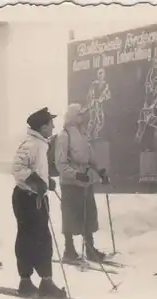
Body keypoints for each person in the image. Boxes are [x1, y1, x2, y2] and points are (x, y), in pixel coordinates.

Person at [11, 107, 66, 299]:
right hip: (28, 198)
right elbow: (17, 168)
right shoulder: (32, 144)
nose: (53, 126)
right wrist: (37, 182)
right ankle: (42, 282)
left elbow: (32, 167)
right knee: (37, 239)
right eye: (50, 124)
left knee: (34, 238)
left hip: (32, 196)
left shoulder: (39, 143)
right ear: (42, 127)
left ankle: (31, 281)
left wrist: (45, 180)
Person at [55, 103, 109, 262]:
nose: (82, 117)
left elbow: (90, 157)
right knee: (70, 216)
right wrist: (76, 175)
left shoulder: (83, 134)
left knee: (88, 215)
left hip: (85, 182)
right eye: (79, 114)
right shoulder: (64, 136)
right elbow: (61, 164)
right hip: (70, 184)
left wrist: (100, 171)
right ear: (73, 116)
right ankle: (69, 250)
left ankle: (90, 249)